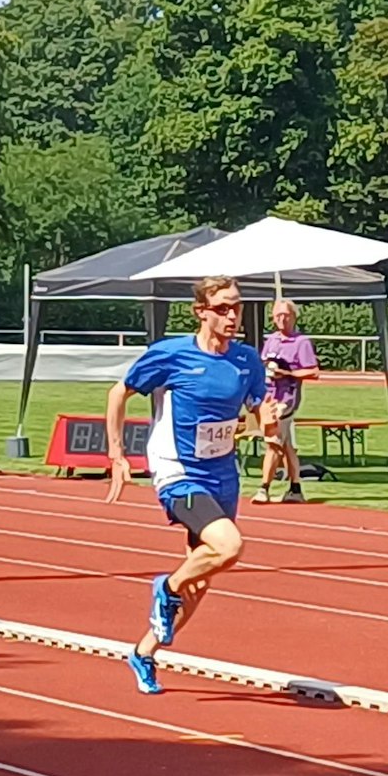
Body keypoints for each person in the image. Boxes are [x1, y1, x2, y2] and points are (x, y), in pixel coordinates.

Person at [102, 275, 279, 695]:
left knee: (201, 581)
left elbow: (256, 410)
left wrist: (266, 421)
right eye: (222, 308)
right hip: (177, 469)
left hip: (222, 473)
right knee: (229, 547)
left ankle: (143, 653)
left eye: (236, 307)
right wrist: (116, 455)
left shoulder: (247, 360)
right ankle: (166, 586)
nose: (233, 315)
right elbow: (118, 393)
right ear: (201, 311)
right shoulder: (170, 355)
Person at [254, 299, 320, 504]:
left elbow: (313, 372)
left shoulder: (301, 342)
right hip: (269, 397)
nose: (282, 319)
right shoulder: (271, 340)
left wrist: (288, 373)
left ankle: (263, 488)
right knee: (287, 445)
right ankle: (295, 488)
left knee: (272, 442)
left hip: (286, 399)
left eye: (286, 315)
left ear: (294, 317)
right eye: (277, 315)